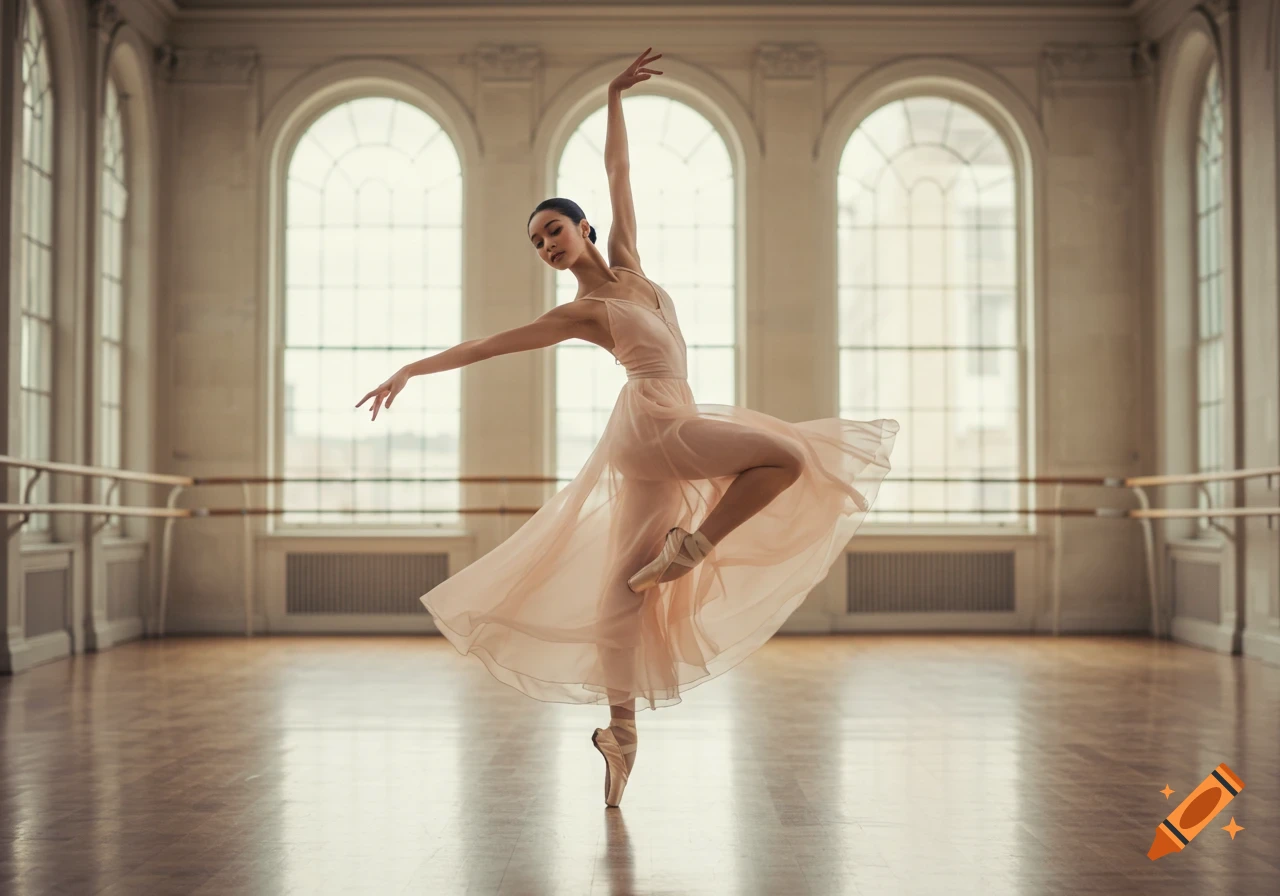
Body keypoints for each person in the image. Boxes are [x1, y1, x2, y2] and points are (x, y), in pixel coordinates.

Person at [357, 49, 898, 808]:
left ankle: (621, 733)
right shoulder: (580, 312)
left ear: (584, 229)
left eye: (554, 231)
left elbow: (620, 175)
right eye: (539, 243)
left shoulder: (631, 266)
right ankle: (692, 547)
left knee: (622, 589)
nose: (548, 246)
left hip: (661, 427)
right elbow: (489, 345)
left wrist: (611, 96)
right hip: (653, 421)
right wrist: (412, 369)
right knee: (784, 456)